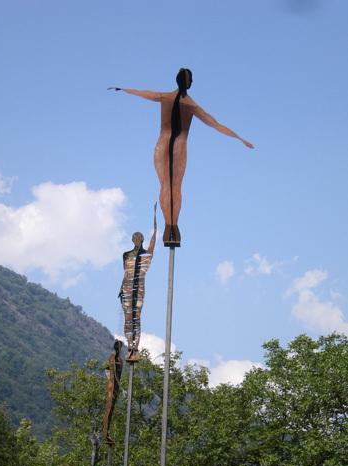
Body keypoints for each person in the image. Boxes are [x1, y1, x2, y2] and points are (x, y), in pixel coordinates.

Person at [109, 68, 253, 246]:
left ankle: (172, 225)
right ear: (189, 83)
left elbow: (144, 93)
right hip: (171, 145)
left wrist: (239, 138)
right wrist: (123, 89)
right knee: (170, 186)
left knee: (170, 186)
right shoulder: (183, 103)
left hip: (171, 145)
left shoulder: (178, 102)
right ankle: (171, 225)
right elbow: (215, 124)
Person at [119, 204, 157, 361]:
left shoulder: (145, 255)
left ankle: (136, 346)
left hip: (139, 288)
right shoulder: (126, 255)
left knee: (137, 316)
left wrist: (155, 227)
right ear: (132, 240)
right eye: (134, 238)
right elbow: (126, 273)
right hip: (127, 288)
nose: (136, 240)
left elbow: (153, 244)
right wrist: (121, 289)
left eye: (139, 238)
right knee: (128, 316)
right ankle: (129, 344)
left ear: (142, 240)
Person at [102, 339, 124, 445]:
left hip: (116, 387)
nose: (119, 348)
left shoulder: (120, 359)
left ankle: (107, 433)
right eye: (117, 346)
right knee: (109, 408)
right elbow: (110, 372)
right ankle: (104, 433)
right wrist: (113, 382)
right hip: (112, 386)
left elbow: (118, 375)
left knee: (112, 409)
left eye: (120, 346)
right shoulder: (113, 357)